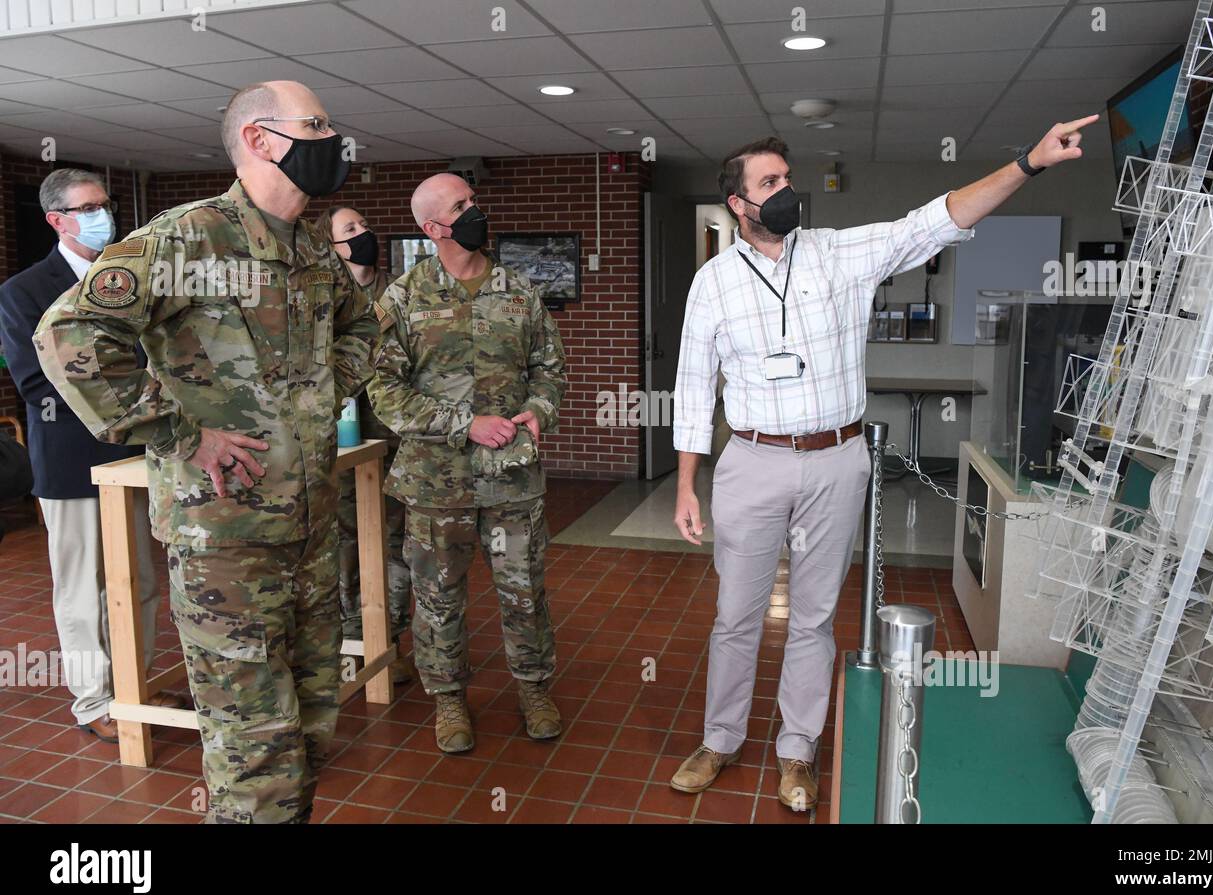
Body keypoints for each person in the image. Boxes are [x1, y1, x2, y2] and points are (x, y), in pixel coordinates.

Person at [669, 119, 1099, 809]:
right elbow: (692, 387)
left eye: (788, 178)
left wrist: (1028, 162)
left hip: (836, 460)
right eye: (770, 183)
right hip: (751, 461)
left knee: (813, 618)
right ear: (740, 204)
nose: (787, 191)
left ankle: (797, 749)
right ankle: (719, 739)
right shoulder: (712, 284)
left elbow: (934, 221)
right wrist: (688, 483)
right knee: (734, 617)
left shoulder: (840, 254)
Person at [34, 81, 380, 823]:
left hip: (315, 534)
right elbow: (68, 335)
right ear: (260, 139)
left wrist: (320, 393)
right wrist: (180, 432)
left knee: (314, 728)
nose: (334, 141)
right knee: (255, 753)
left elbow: (363, 328)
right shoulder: (188, 237)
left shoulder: (314, 248)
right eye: (316, 126)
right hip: (227, 540)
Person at [369, 172, 566, 754]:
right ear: (432, 228)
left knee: (524, 590)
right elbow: (382, 390)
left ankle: (533, 688)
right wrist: (464, 423)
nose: (476, 212)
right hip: (436, 484)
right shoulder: (402, 300)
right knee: (438, 596)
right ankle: (449, 699)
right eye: (462, 206)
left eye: (474, 201)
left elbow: (549, 368)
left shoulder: (519, 292)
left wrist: (536, 409)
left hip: (512, 479)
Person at [0, 168, 185, 744]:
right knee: (85, 588)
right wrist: (131, 395)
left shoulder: (129, 279)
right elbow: (35, 382)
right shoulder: (24, 291)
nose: (102, 215)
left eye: (103, 203)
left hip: (135, 455)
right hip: (70, 460)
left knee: (139, 582)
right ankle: (94, 700)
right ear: (57, 220)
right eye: (87, 208)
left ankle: (136, 684)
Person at [315, 205, 414, 685]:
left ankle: (389, 637)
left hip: (395, 437)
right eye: (350, 230)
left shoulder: (401, 290)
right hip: (342, 438)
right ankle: (352, 637)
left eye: (365, 225)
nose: (364, 234)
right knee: (346, 539)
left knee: (394, 540)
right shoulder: (322, 296)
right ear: (332, 247)